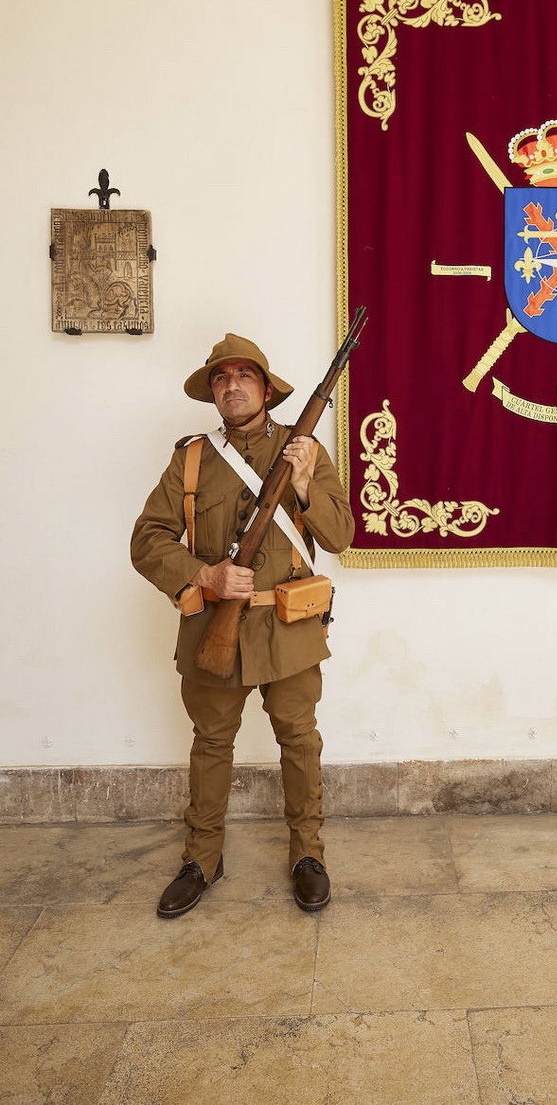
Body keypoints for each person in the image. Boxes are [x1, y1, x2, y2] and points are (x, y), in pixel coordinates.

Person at [131, 332, 354, 918]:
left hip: (289, 630)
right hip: (213, 629)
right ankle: (202, 859)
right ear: (213, 392)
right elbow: (147, 540)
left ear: (266, 389)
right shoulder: (192, 458)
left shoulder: (304, 452)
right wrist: (204, 575)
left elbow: (340, 537)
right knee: (210, 744)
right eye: (221, 378)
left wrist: (303, 484)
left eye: (244, 375)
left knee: (299, 742)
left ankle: (308, 855)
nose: (232, 386)